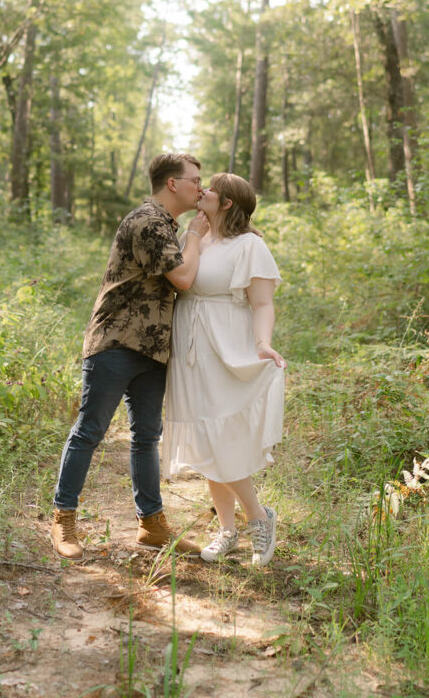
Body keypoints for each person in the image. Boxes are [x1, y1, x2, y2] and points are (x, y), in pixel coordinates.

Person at [51, 152, 210, 561]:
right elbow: (184, 279)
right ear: (172, 184)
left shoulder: (165, 225)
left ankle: (151, 524)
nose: (200, 186)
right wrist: (195, 235)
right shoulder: (147, 222)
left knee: (146, 437)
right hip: (116, 343)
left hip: (152, 348)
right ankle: (63, 519)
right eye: (194, 179)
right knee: (91, 429)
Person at [161, 172, 285, 567]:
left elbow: (262, 304)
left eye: (210, 188)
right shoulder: (195, 235)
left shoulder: (249, 246)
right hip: (190, 346)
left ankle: (258, 518)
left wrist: (262, 343)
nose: (203, 191)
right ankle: (228, 530)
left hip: (225, 344)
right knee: (202, 433)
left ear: (227, 203)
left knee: (221, 437)